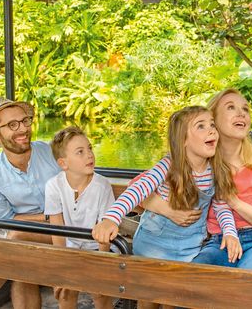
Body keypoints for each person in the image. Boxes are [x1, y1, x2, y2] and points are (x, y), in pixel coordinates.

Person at [144, 89, 252, 273]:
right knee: (189, 283)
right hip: (218, 242)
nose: (241, 113)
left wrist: (235, 203)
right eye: (231, 107)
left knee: (243, 285)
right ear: (212, 121)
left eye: (245, 109)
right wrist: (170, 212)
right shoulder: (199, 158)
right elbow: (138, 188)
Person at [92, 105, 241, 262]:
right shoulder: (168, 165)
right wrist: (112, 218)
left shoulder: (215, 170)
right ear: (183, 140)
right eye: (201, 126)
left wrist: (230, 233)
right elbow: (138, 189)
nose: (211, 130)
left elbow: (221, 205)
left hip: (190, 250)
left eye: (212, 124)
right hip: (152, 248)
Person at [0, 97, 61, 309]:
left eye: (25, 121)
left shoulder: (51, 153)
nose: (22, 129)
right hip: (28, 233)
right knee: (20, 255)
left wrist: (54, 218)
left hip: (69, 227)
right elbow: (6, 221)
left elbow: (81, 188)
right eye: (12, 125)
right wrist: (45, 217)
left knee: (17, 239)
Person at [45, 126, 115, 309]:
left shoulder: (102, 186)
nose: (89, 155)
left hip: (99, 249)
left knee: (100, 293)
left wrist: (101, 267)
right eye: (80, 152)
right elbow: (57, 231)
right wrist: (62, 268)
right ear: (63, 163)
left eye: (90, 148)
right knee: (66, 292)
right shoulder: (54, 186)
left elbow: (105, 234)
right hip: (71, 247)